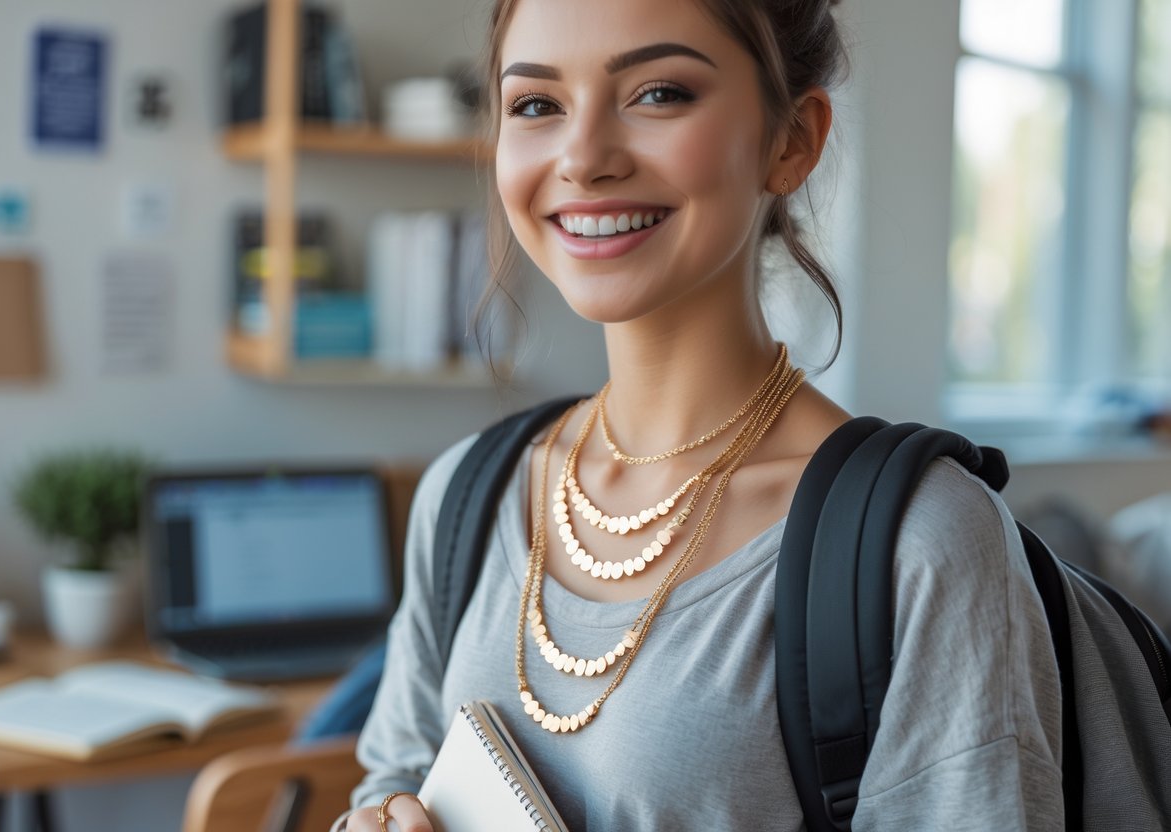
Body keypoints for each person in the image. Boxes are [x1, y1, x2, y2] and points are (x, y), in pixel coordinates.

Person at [336, 0, 1063, 828]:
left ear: (791, 140)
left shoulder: (923, 544)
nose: (582, 158)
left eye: (658, 93)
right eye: (536, 105)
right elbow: (388, 781)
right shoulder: (464, 494)